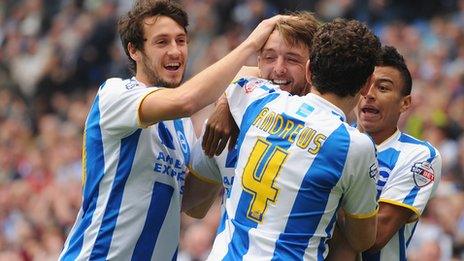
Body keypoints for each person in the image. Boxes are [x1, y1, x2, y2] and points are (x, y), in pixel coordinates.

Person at [59, 0, 286, 259]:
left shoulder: (181, 125)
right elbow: (186, 100)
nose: (176, 51)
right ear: (134, 50)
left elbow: (191, 205)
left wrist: (223, 133)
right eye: (162, 42)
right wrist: (250, 46)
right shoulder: (115, 94)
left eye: (181, 40)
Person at [204, 18, 381, 260]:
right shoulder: (355, 145)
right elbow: (363, 239)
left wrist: (224, 103)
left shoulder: (259, 99)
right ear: (368, 84)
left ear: (309, 70)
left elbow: (240, 75)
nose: (278, 68)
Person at [182, 11, 321, 218]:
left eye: (292, 59)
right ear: (258, 62)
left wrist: (228, 98)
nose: (279, 69)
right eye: (270, 57)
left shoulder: (326, 129)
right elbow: (194, 207)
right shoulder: (228, 122)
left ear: (313, 67)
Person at [330, 46, 442, 260]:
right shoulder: (331, 134)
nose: (369, 94)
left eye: (382, 88)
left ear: (405, 103)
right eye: (363, 85)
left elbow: (373, 238)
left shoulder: (420, 156)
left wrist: (327, 187)